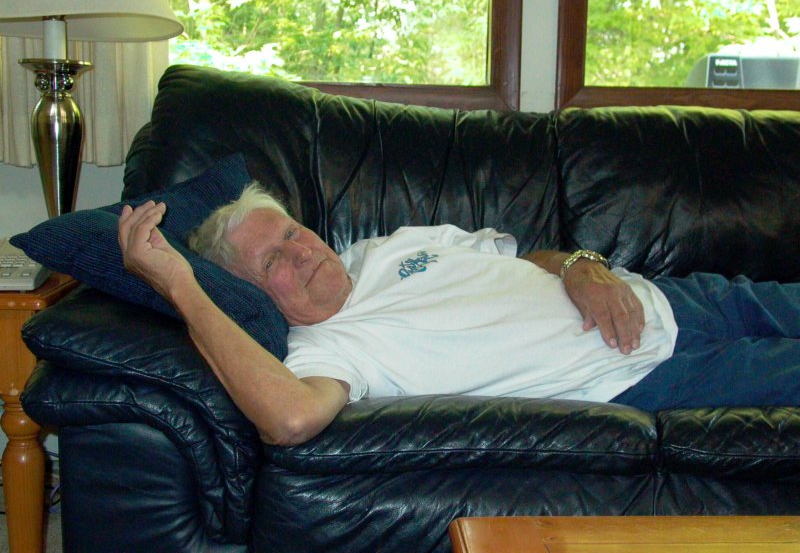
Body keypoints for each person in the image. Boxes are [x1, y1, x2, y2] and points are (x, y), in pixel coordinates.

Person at [118, 183, 800, 446]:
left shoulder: (388, 247)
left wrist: (581, 265)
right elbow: (290, 420)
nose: (300, 252)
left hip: (670, 295)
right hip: (641, 373)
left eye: (293, 232)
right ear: (252, 294)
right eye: (273, 261)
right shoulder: (325, 350)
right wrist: (182, 288)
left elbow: (528, 258)